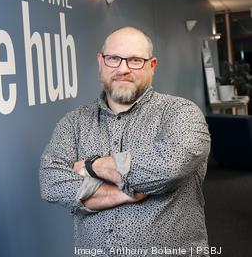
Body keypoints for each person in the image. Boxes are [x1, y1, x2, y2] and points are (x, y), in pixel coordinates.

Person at [39, 26, 211, 256]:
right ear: (100, 62)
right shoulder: (73, 123)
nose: (123, 69)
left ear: (152, 66)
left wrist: (92, 166)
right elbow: (51, 182)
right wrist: (125, 192)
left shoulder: (181, 113)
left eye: (135, 60)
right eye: (113, 59)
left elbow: (169, 166)